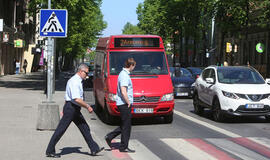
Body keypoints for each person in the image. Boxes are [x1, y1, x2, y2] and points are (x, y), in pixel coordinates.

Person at [45, 64, 104, 158]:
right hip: (71, 108)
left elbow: (67, 96)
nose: (87, 75)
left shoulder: (77, 81)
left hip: (73, 108)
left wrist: (64, 108)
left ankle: (94, 148)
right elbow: (76, 99)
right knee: (61, 130)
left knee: (85, 127)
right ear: (81, 71)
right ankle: (50, 150)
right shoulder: (75, 81)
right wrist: (87, 106)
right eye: (86, 73)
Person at [105, 58, 136, 153]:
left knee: (124, 125)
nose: (134, 68)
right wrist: (128, 102)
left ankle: (109, 137)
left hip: (123, 103)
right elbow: (123, 91)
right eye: (134, 66)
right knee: (126, 126)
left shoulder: (124, 74)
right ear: (131, 65)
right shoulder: (124, 76)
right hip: (124, 104)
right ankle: (123, 147)